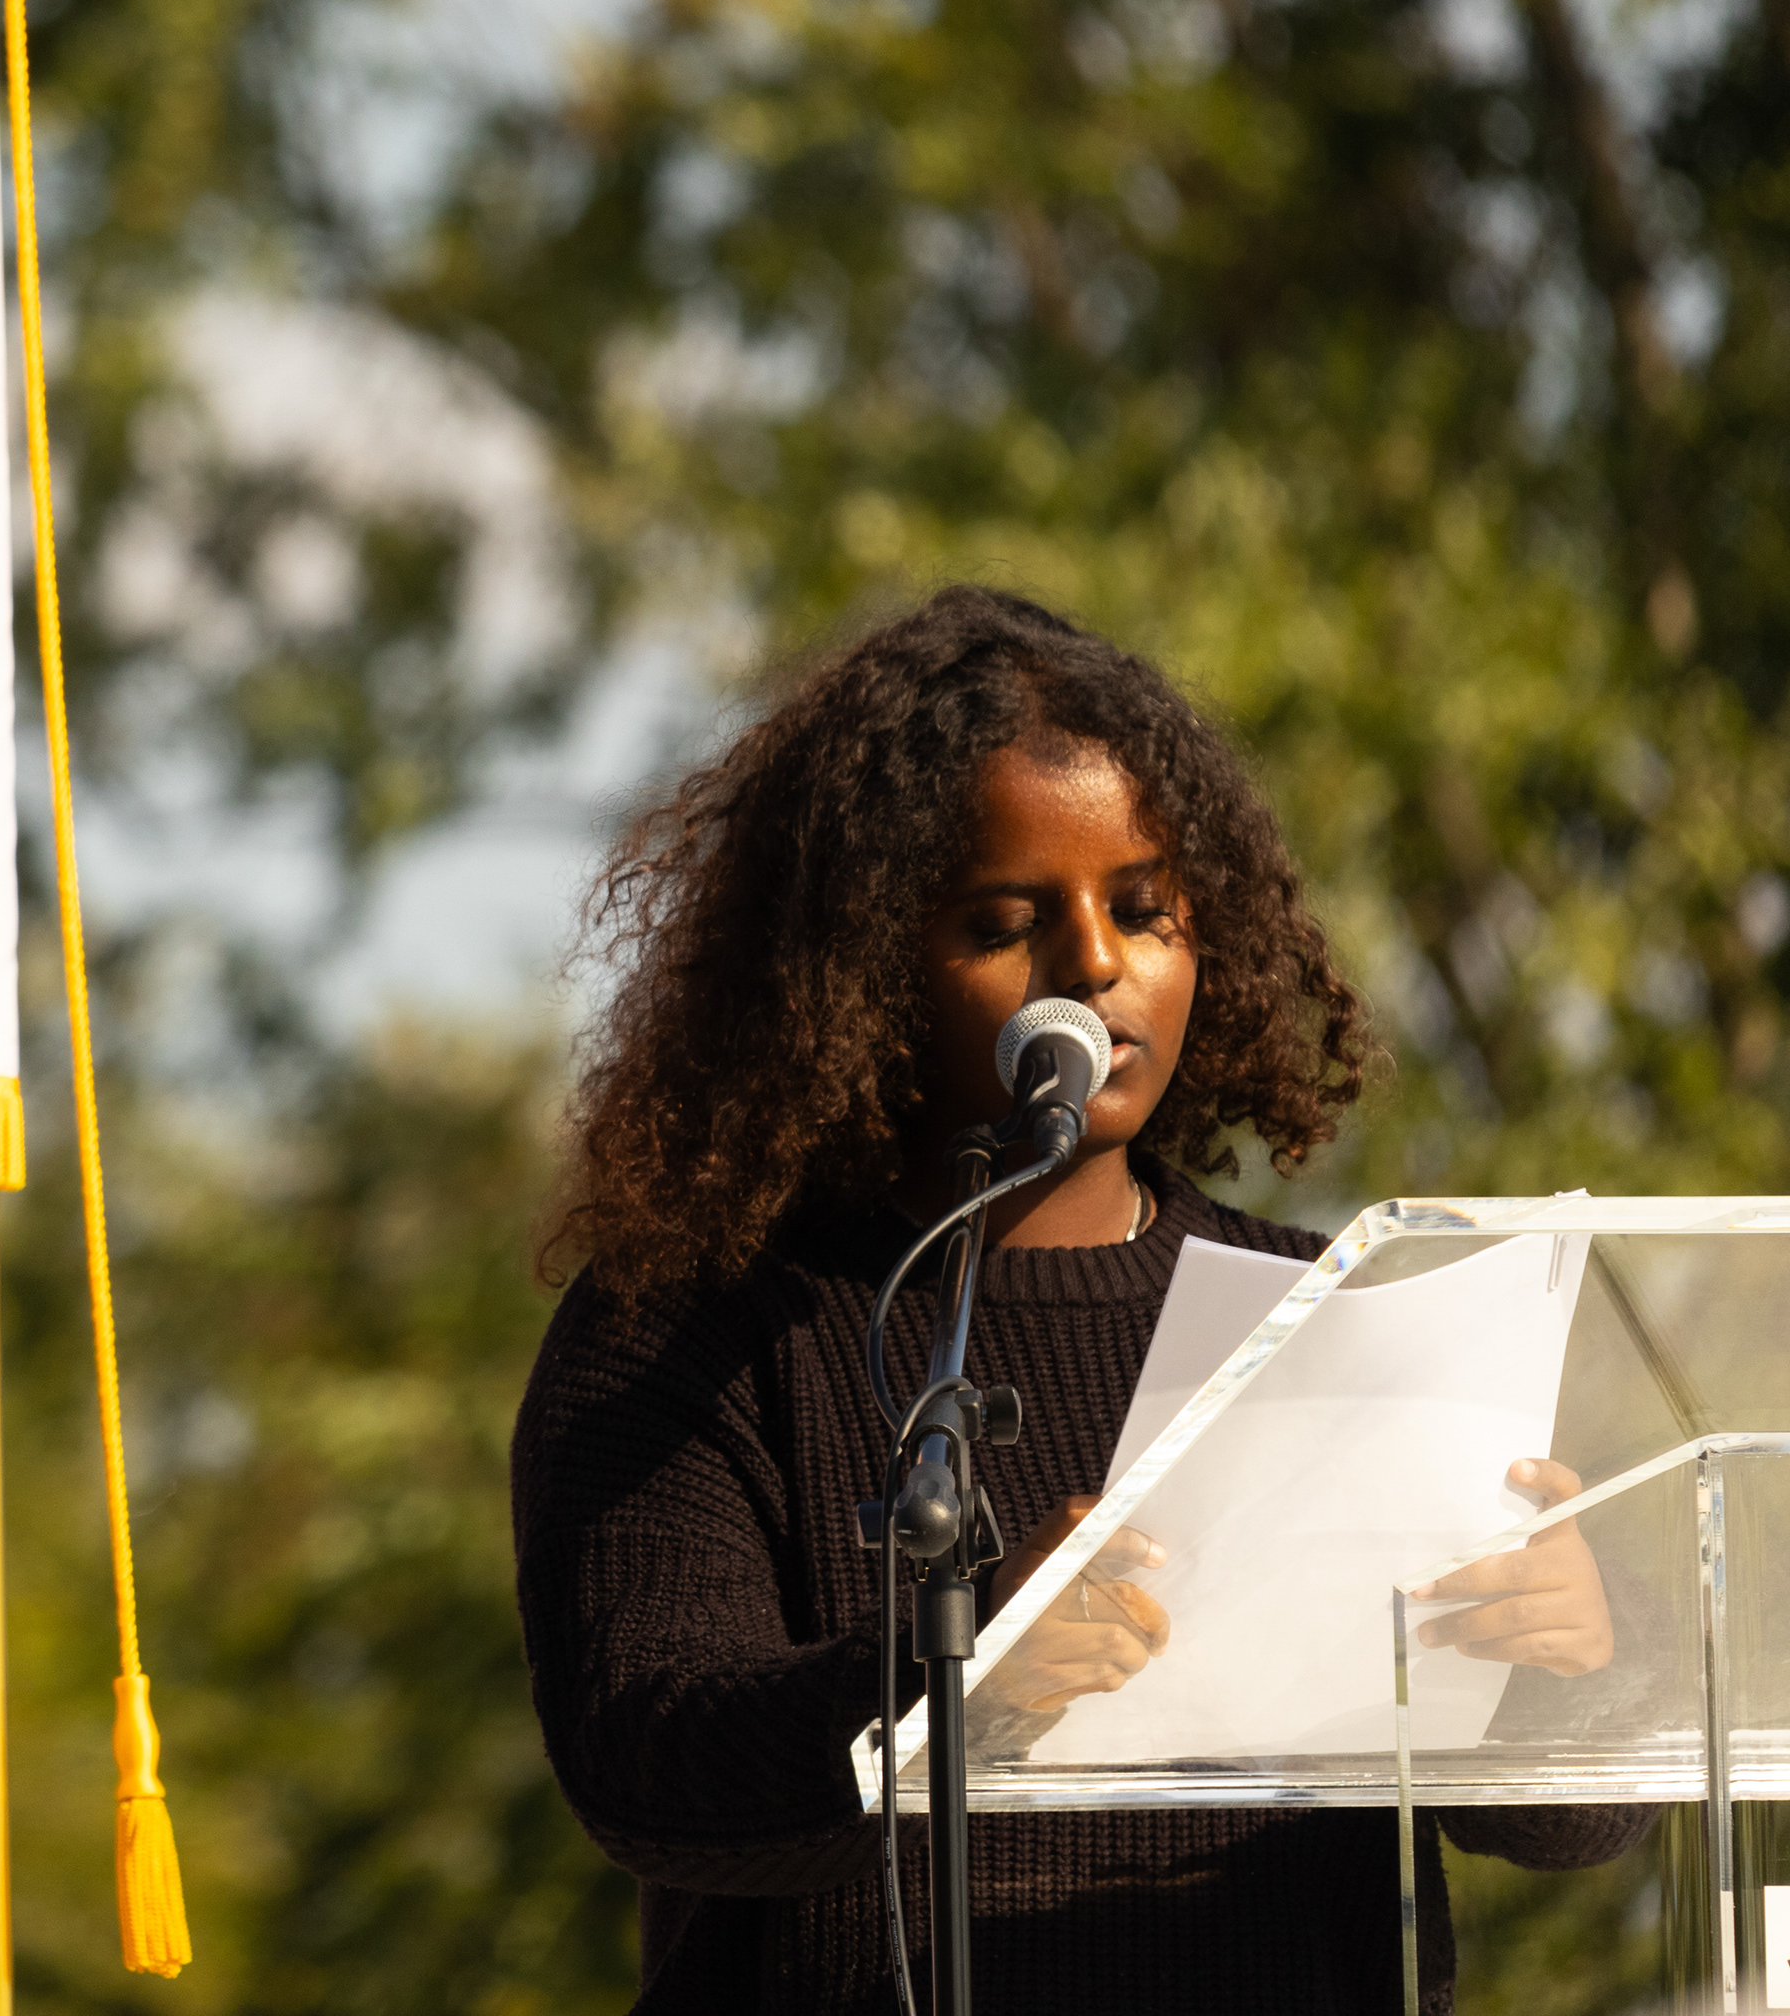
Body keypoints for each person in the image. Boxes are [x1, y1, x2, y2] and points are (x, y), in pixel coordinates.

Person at [510, 587, 1651, 2014]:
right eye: (1009, 919)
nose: (1096, 965)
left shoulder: (1331, 1315)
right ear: (855, 969)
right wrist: (959, 1679)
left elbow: (1566, 1827)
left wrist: (1565, 1659)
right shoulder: (689, 1326)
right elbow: (645, 1764)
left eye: (1146, 911)